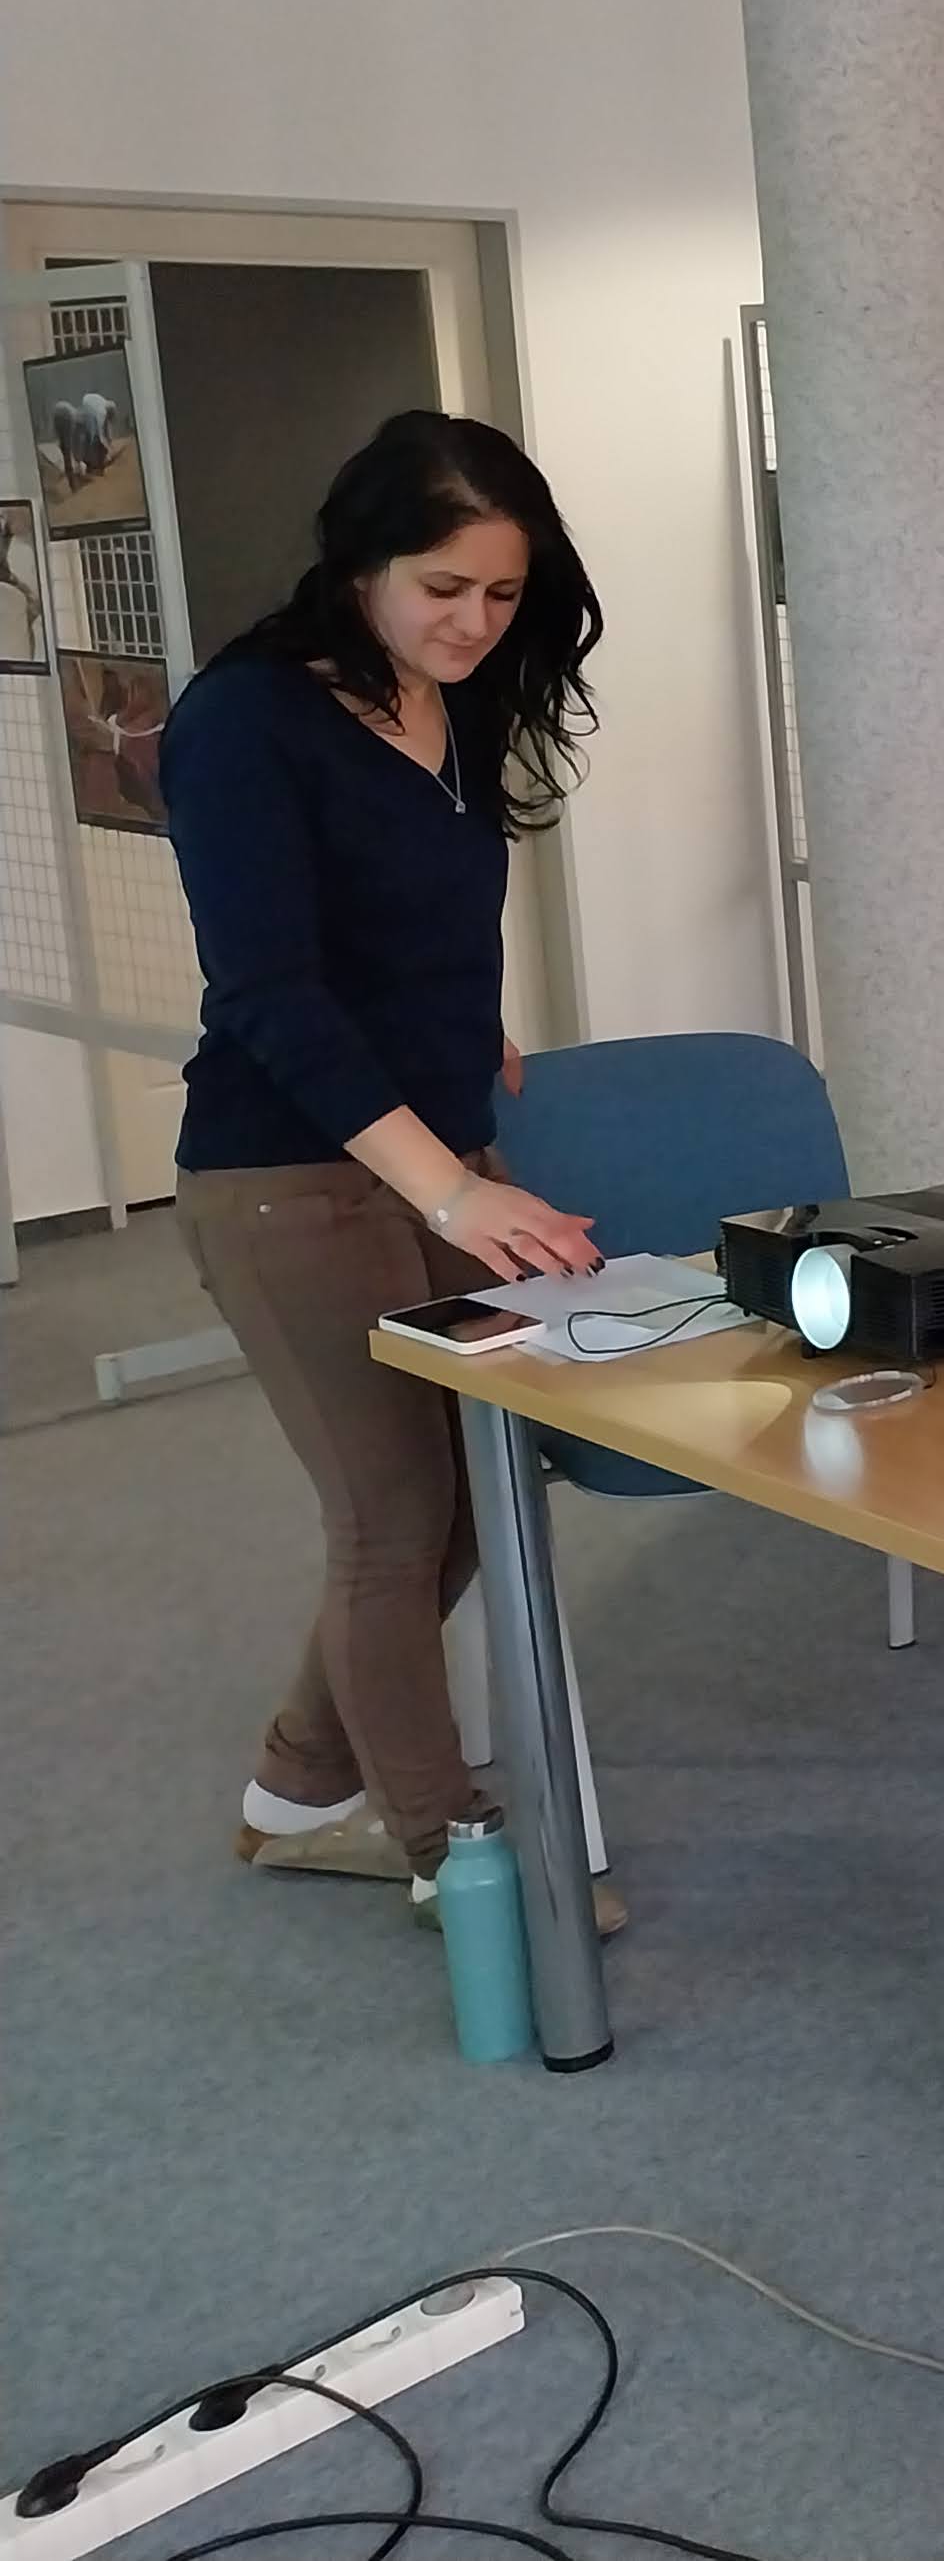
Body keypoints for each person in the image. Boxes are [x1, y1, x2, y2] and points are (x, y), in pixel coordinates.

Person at [159, 412, 615, 1928]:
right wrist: (454, 1190)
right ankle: (456, 1856)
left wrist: (466, 1031)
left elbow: (421, 909)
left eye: (503, 594)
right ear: (358, 563)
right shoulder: (244, 721)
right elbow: (271, 993)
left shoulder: (451, 703)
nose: (475, 623)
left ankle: (299, 1785)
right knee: (391, 1512)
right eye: (444, 589)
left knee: (473, 1493)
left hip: (432, 1147)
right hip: (287, 1178)